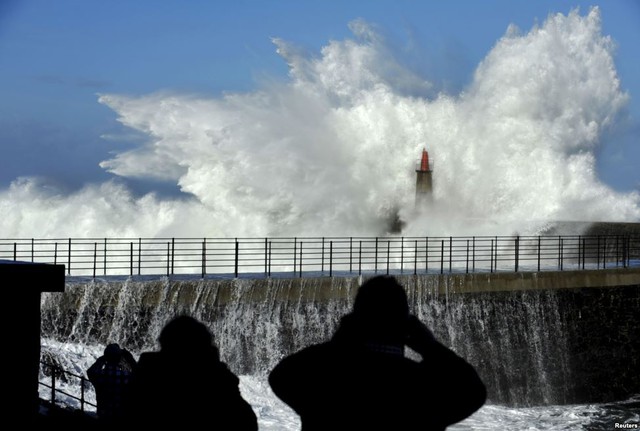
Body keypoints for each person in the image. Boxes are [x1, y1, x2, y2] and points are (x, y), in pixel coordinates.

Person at [269, 275, 487, 431]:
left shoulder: (324, 382)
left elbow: (280, 375)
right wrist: (430, 347)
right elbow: (474, 392)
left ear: (354, 322)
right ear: (407, 325)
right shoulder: (424, 386)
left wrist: (341, 342)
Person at [125, 315, 258, 430]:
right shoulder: (219, 385)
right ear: (206, 348)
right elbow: (247, 423)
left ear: (163, 345)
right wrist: (218, 371)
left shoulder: (145, 382)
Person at [87, 342, 137, 426]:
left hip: (103, 417)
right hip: (120, 418)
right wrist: (129, 358)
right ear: (119, 359)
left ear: (106, 357)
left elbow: (90, 371)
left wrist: (103, 358)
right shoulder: (125, 376)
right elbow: (139, 374)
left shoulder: (99, 375)